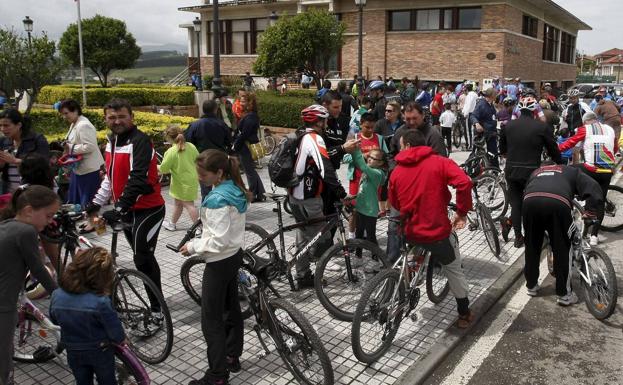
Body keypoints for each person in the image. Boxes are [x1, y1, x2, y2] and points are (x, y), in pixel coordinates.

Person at [86, 99, 166, 327]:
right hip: (129, 210)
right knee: (143, 259)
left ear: (131, 117)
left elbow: (138, 180)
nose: (117, 121)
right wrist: (96, 203)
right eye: (112, 117)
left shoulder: (140, 142)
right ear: (105, 119)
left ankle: (158, 310)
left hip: (149, 210)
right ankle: (156, 302)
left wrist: (119, 208)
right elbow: (110, 179)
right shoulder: (111, 142)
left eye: (121, 116)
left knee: (142, 257)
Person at [389, 129, 474, 328]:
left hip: (410, 230)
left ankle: (407, 282)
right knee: (454, 269)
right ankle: (464, 313)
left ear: (408, 146)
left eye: (401, 145)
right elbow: (464, 183)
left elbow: (395, 203)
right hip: (438, 232)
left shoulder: (397, 171)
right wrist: (461, 212)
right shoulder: (440, 162)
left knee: (412, 252)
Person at [181, 150, 248, 385]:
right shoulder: (235, 188)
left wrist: (193, 246)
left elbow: (217, 241)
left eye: (203, 174)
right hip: (234, 256)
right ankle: (232, 356)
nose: (200, 178)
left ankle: (218, 375)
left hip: (219, 262)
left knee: (211, 320)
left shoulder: (218, 199)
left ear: (219, 172)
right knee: (231, 308)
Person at [0, 185, 59, 385]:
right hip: (3, 304)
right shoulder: (26, 231)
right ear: (28, 211)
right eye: (48, 216)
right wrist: (59, 295)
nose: (51, 221)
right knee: (4, 352)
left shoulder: (7, 224)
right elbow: (39, 269)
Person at [522, 163, 603, 305]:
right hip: (557, 203)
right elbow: (594, 187)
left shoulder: (536, 171)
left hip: (530, 201)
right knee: (562, 248)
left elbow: (526, 190)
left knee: (532, 245)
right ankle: (564, 294)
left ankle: (531, 286)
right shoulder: (572, 171)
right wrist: (590, 211)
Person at [289, 105, 347, 288]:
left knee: (303, 235)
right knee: (322, 237)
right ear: (319, 121)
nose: (326, 123)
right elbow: (325, 168)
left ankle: (302, 274)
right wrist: (341, 193)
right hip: (309, 197)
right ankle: (314, 271)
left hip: (294, 194)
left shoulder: (299, 134)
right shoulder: (314, 138)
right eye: (324, 120)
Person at [49, 247, 124, 385]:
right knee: (107, 380)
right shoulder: (101, 302)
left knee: (82, 381)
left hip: (72, 349)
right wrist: (122, 340)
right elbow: (114, 331)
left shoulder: (56, 295)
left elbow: (54, 319)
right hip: (100, 350)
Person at [499, 96, 561, 248]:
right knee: (532, 203)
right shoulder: (542, 127)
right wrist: (560, 163)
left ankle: (518, 237)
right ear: (535, 110)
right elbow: (553, 148)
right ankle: (532, 236)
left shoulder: (508, 126)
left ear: (519, 109)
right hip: (532, 172)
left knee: (516, 203)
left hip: (512, 170)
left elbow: (503, 150)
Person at [558, 111, 617, 246]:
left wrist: (556, 149)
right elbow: (614, 147)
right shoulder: (609, 129)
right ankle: (594, 236)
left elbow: (570, 143)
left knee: (569, 171)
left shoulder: (585, 129)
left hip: (591, 169)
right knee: (600, 200)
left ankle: (579, 200)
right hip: (608, 170)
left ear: (586, 122)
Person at [344, 112, 389, 238]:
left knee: (369, 208)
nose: (370, 130)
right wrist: (361, 156)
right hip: (357, 178)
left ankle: (368, 235)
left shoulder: (379, 138)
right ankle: (352, 237)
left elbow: (386, 157)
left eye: (372, 127)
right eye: (367, 127)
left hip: (372, 180)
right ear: (360, 125)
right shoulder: (354, 137)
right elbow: (345, 157)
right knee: (354, 209)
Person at [58, 99, 105, 208]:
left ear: (75, 111)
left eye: (66, 113)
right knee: (77, 202)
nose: (65, 117)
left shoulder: (83, 125)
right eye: (62, 114)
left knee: (87, 203)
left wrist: (70, 147)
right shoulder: (75, 123)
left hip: (88, 170)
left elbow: (90, 146)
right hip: (78, 170)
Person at [185, 100, 233, 200]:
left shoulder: (195, 125)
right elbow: (229, 142)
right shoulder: (222, 125)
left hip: (203, 160)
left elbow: (188, 142)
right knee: (222, 187)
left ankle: (206, 211)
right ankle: (222, 206)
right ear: (215, 110)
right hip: (219, 159)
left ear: (203, 110)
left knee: (205, 190)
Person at [159, 125, 200, 231]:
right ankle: (172, 224)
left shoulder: (171, 151)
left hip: (180, 183)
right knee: (178, 204)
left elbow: (164, 169)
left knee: (189, 205)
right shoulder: (191, 146)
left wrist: (154, 166)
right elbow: (198, 160)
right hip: (191, 179)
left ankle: (199, 228)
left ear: (169, 138)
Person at [0, 109, 50, 194]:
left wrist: (16, 161)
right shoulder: (3, 142)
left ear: (19, 125)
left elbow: (44, 165)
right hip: (9, 193)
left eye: (6, 125)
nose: (2, 129)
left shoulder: (37, 139)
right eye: (0, 125)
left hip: (33, 191)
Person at [351, 147, 386, 251]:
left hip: (370, 211)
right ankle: (358, 255)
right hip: (361, 207)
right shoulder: (369, 170)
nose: (369, 159)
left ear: (380, 163)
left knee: (371, 236)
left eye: (373, 158)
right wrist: (353, 197)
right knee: (359, 233)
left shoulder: (377, 173)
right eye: (369, 156)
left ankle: (377, 256)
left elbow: (362, 166)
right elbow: (363, 188)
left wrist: (355, 149)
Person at [232, 92, 266, 202]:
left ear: (249, 103)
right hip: (245, 146)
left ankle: (254, 194)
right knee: (251, 171)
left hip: (246, 147)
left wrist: (235, 146)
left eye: (243, 101)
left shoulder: (251, 117)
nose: (241, 103)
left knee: (249, 171)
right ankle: (259, 193)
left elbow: (244, 134)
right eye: (240, 101)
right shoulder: (250, 115)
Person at [470, 87, 499, 167]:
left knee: (493, 153)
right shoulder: (481, 104)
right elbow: (473, 116)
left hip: (491, 133)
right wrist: (476, 124)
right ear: (492, 95)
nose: (497, 96)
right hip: (483, 134)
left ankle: (495, 171)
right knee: (478, 155)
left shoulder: (491, 105)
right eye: (495, 94)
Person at [461, 84, 478, 149]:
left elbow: (468, 105)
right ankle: (473, 145)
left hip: (470, 114)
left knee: (468, 131)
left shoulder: (469, 95)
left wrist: (465, 114)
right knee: (473, 130)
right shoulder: (475, 94)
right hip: (475, 113)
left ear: (466, 89)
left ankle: (469, 145)